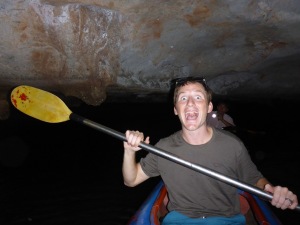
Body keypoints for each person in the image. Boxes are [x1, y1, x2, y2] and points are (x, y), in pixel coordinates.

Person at [122, 76, 298, 225]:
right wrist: (130, 151)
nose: (190, 103)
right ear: (176, 110)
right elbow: (131, 180)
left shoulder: (232, 144)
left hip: (228, 220)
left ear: (209, 107)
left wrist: (272, 190)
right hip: (179, 220)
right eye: (183, 98)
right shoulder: (164, 147)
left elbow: (253, 179)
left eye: (198, 97)